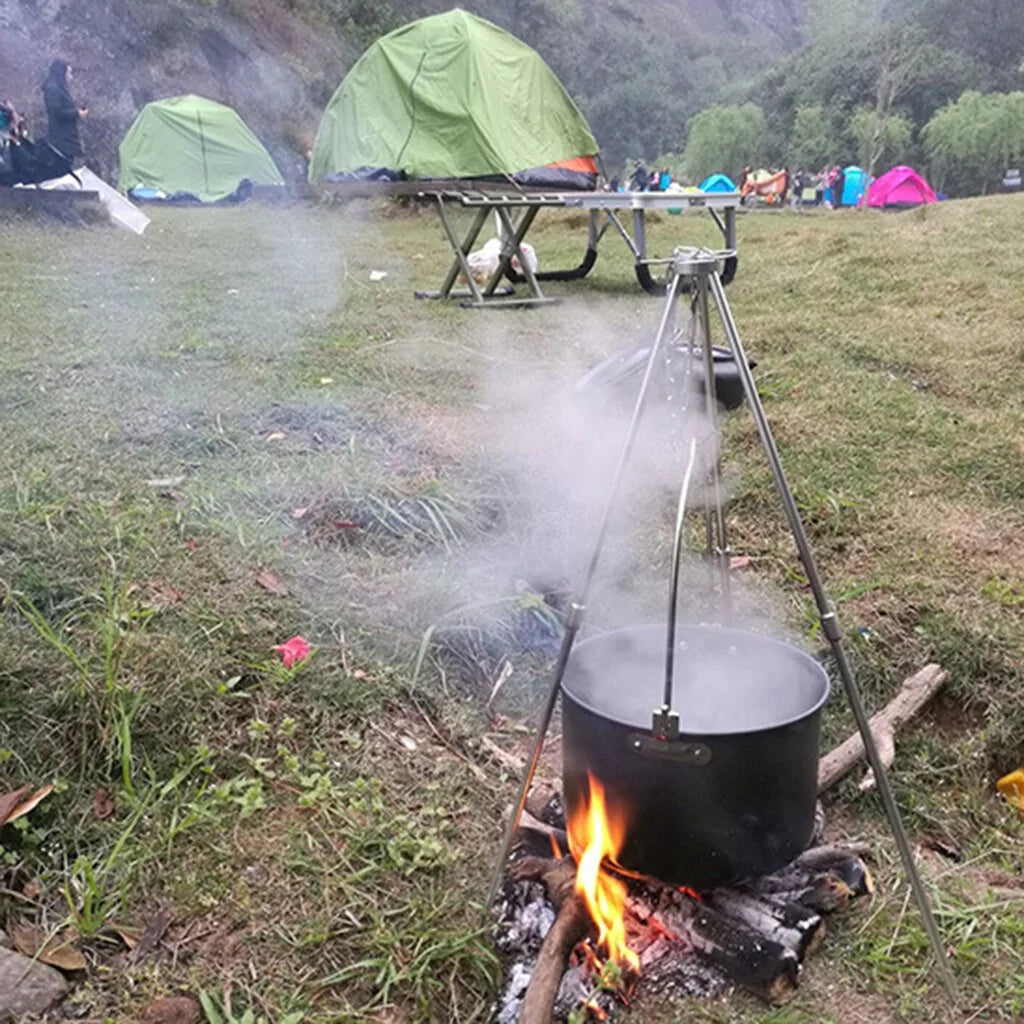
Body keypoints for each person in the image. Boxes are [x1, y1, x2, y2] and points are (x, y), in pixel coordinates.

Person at [41, 59, 86, 164]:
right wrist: (77, 113)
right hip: (61, 140)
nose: (71, 77)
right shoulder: (53, 89)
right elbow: (57, 113)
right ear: (62, 73)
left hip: (65, 139)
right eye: (69, 73)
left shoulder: (58, 89)